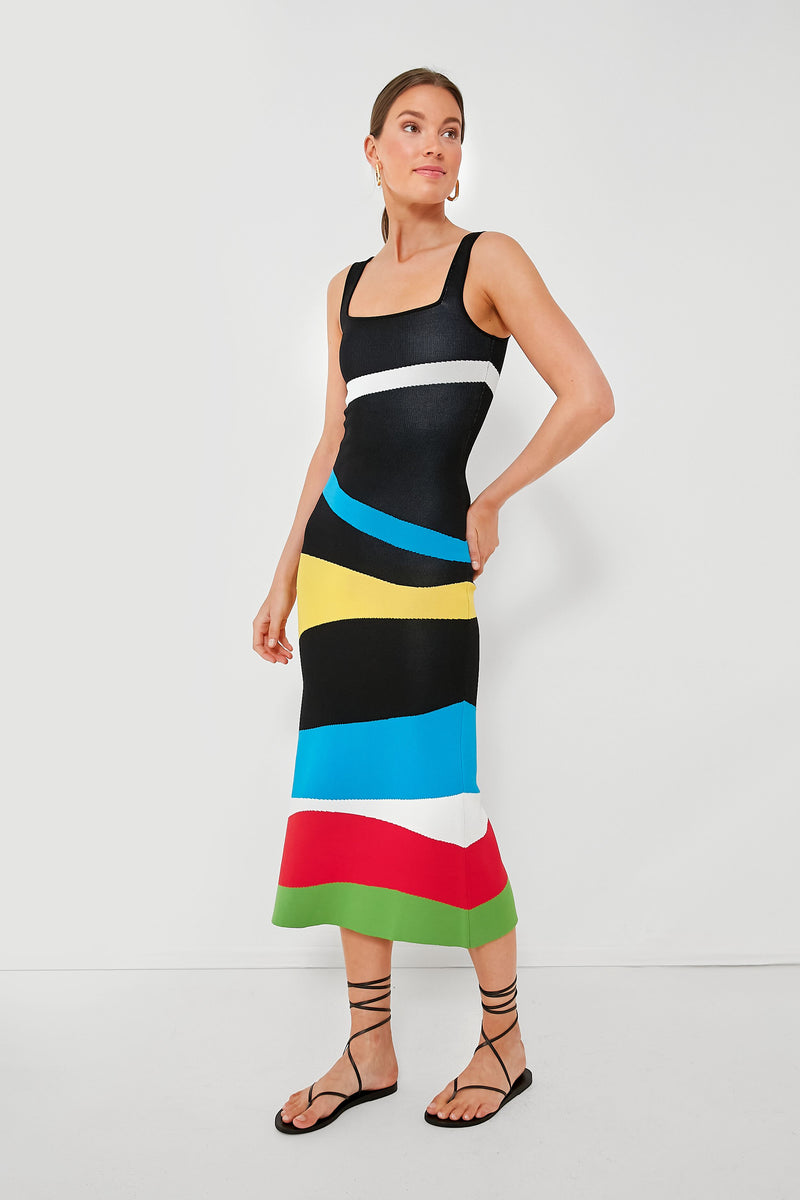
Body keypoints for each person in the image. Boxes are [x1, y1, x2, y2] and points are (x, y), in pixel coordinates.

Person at [253, 67, 614, 1134]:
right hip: (335, 572)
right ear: (372, 152)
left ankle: (504, 1040)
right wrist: (282, 574)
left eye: (450, 132)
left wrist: (491, 498)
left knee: (444, 807)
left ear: (460, 160)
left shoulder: (487, 260)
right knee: (344, 802)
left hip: (423, 573)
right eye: (411, 128)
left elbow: (588, 395)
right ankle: (369, 1047)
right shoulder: (343, 289)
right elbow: (333, 438)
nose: (433, 146)